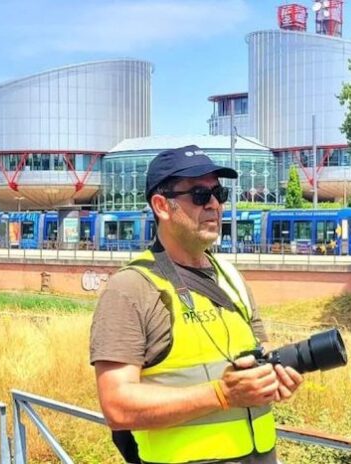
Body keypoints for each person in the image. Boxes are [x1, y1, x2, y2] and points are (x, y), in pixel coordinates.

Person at [90, 145, 303, 464]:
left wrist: (275, 378)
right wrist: (221, 395)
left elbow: (262, 351)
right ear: (162, 206)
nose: (214, 204)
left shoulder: (231, 276)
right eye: (200, 195)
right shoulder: (131, 288)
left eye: (219, 193)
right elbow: (117, 405)